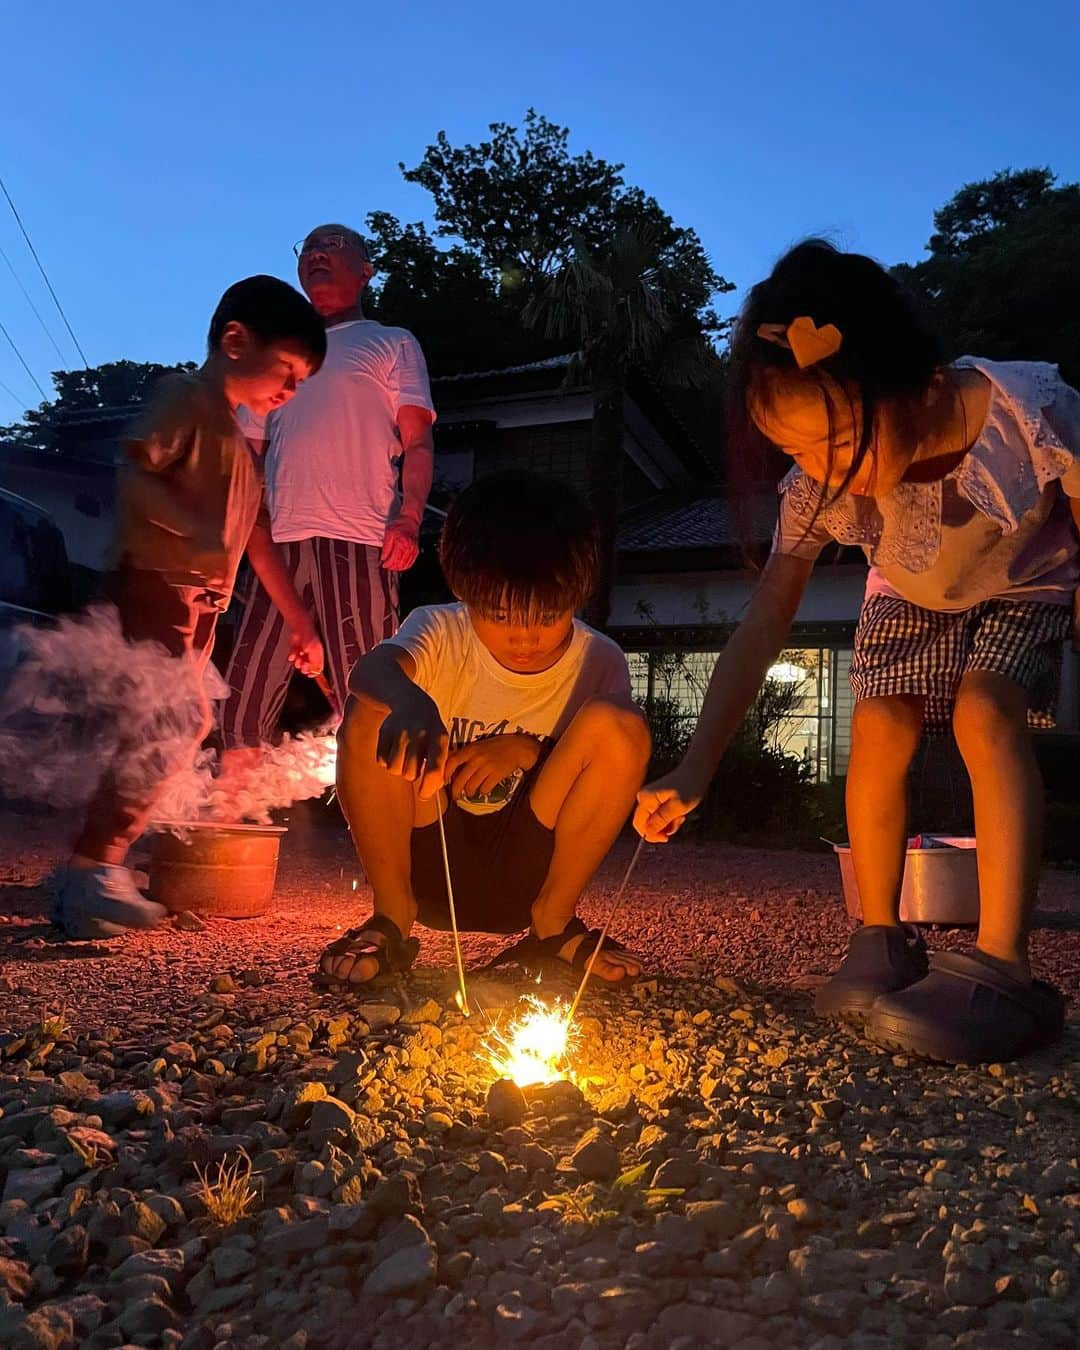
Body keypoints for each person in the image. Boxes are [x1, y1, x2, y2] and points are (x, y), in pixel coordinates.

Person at [635, 240, 1080, 1064]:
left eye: (837, 443)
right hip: (909, 586)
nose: (822, 472)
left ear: (922, 388)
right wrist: (694, 767)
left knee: (987, 712)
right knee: (877, 722)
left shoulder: (1028, 415)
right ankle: (881, 937)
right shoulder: (823, 488)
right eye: (796, 450)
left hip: (1026, 578)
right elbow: (764, 621)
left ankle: (1002, 965)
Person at [51, 276, 328, 939]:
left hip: (198, 602)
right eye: (287, 370)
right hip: (156, 581)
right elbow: (135, 471)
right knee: (172, 721)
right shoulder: (186, 398)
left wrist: (300, 623)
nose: (289, 391)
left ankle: (91, 871)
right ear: (236, 340)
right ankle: (92, 871)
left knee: (169, 724)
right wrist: (194, 532)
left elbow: (255, 536)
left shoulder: (236, 439)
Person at [321, 470, 651, 988]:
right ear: (463, 591)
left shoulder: (597, 660)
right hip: (431, 856)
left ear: (577, 596)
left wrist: (525, 751)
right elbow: (369, 672)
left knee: (621, 726)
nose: (525, 637)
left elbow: (603, 765)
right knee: (373, 708)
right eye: (499, 615)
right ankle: (391, 913)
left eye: (547, 616)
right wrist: (411, 700)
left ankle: (555, 923)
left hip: (531, 871)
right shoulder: (440, 629)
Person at [221, 224, 435, 751]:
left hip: (360, 539)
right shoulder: (277, 358)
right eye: (309, 248)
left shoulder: (390, 342)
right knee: (242, 700)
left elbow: (419, 441)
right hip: (280, 544)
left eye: (333, 245)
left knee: (370, 700)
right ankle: (235, 823)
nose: (317, 253)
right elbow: (250, 456)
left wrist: (408, 519)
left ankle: (384, 822)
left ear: (366, 270)